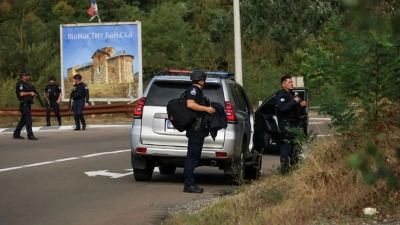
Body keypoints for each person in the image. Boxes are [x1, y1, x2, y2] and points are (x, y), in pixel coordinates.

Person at [183, 70, 216, 193]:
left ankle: (189, 183)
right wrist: (206, 109)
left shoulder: (197, 91)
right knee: (192, 156)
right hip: (195, 129)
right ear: (201, 80)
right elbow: (190, 104)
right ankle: (189, 184)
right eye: (204, 80)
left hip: (198, 128)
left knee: (193, 155)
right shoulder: (193, 90)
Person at [276, 75, 307, 174]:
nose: (292, 84)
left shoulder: (293, 95)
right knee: (286, 146)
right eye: (289, 82)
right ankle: (285, 169)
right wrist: (293, 102)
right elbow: (282, 108)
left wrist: (302, 105)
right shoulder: (281, 95)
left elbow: (299, 111)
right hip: (286, 124)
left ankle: (295, 169)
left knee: (295, 146)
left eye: (292, 82)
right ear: (283, 84)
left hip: (295, 123)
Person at [13, 70, 38, 140]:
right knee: (28, 120)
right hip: (24, 104)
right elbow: (21, 94)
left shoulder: (27, 84)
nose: (28, 77)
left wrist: (33, 93)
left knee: (23, 121)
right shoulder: (20, 84)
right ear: (23, 76)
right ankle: (30, 135)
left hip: (27, 103)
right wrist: (30, 93)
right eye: (27, 75)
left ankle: (16, 134)